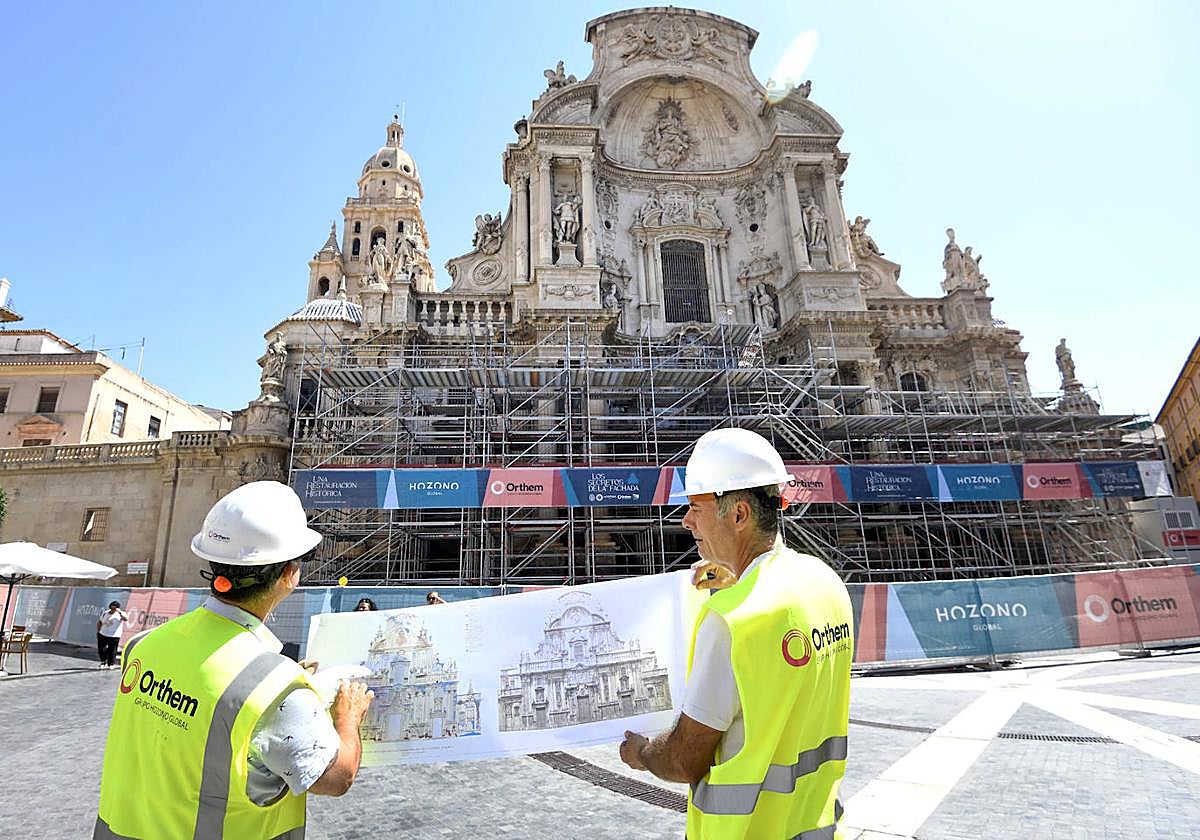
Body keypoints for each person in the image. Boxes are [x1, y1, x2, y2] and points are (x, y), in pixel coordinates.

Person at [94, 481, 375, 839]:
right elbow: (337, 778)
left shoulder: (143, 644)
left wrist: (276, 678)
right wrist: (348, 718)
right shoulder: (273, 689)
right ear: (289, 575)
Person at [618, 428, 853, 839]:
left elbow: (685, 759)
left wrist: (643, 753)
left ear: (739, 514)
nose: (686, 520)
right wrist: (733, 580)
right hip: (815, 827)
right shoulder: (824, 582)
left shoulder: (732, 619)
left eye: (696, 507)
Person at [96, 601, 127, 670]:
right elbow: (100, 622)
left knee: (112, 650)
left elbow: (126, 619)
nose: (113, 609)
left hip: (114, 635)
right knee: (101, 649)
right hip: (103, 633)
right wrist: (98, 631)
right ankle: (103, 661)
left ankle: (111, 663)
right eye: (112, 608)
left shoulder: (121, 614)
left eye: (115, 608)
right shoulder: (105, 613)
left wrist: (119, 612)